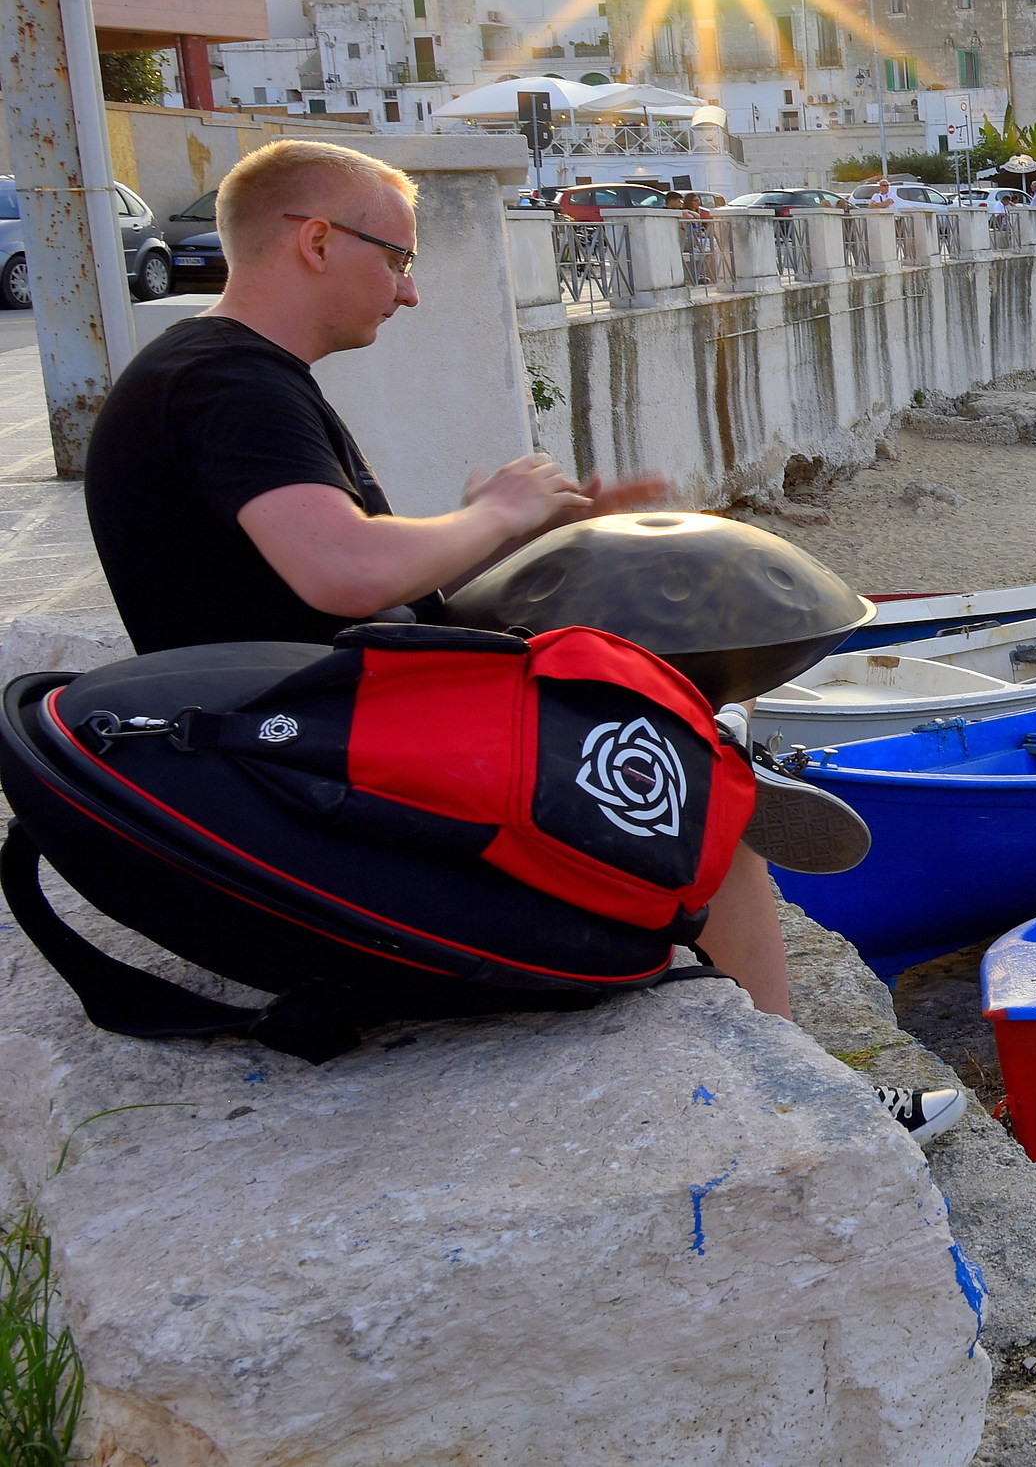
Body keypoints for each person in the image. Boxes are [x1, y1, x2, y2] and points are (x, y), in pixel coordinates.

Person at [79, 142, 961, 1137]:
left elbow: (326, 582)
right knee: (692, 809)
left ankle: (716, 769)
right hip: (311, 781)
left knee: (650, 688)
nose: (408, 290)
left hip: (304, 741)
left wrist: (522, 539)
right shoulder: (229, 381)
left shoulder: (214, 373)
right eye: (397, 258)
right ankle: (800, 1105)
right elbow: (342, 571)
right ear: (316, 241)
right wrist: (494, 514)